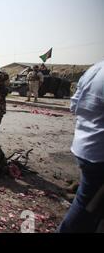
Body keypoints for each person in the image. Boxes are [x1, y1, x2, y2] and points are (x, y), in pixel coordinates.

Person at [58, 60, 104, 233]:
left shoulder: (96, 68)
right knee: (88, 208)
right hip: (100, 152)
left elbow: (74, 105)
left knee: (87, 202)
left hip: (86, 144)